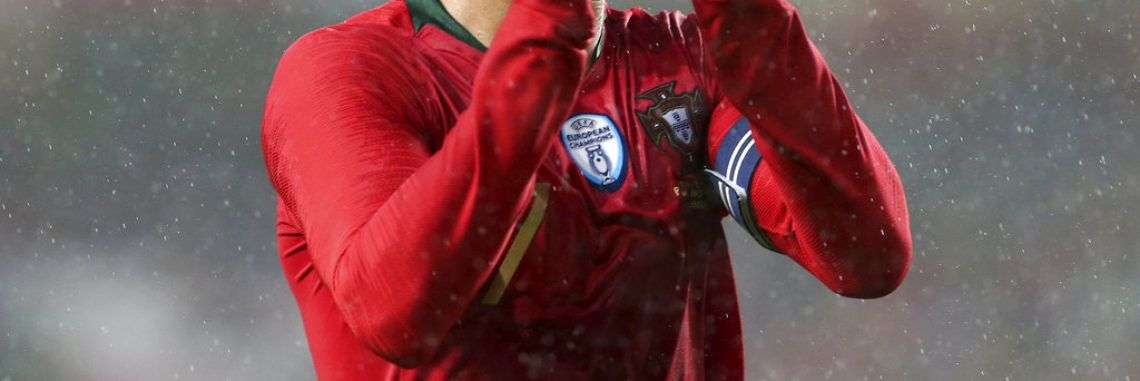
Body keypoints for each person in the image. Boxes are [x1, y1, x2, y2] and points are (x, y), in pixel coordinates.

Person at [260, 0, 912, 378]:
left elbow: (864, 255)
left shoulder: (679, 60)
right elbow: (394, 308)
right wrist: (552, 29)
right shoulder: (346, 71)